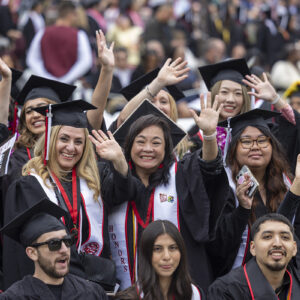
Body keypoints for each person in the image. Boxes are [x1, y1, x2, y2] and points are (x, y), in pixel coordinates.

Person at [92, 97, 227, 292]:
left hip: (180, 290)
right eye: (140, 142)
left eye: (156, 142)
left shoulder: (182, 175)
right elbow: (117, 190)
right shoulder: (110, 178)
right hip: (126, 291)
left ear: (166, 148)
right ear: (129, 146)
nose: (148, 149)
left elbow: (209, 169)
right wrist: (119, 164)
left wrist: (208, 135)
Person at [3, 100, 130, 289]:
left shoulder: (95, 178)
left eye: (79, 141)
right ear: (51, 139)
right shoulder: (29, 185)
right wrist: (100, 268)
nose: (71, 148)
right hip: (51, 286)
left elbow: (124, 193)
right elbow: (30, 248)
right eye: (64, 139)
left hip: (93, 288)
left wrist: (120, 161)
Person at [206, 109, 297, 279]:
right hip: (236, 281)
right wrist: (242, 209)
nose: (255, 147)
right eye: (246, 141)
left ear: (272, 146)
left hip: (280, 278)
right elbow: (218, 245)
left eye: (262, 140)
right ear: (234, 148)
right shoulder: (224, 185)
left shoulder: (286, 184)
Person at [0, 199, 108, 299]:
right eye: (54, 243)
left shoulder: (92, 293)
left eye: (67, 241)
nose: (64, 249)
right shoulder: (15, 297)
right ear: (32, 253)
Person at [207, 213, 300, 299]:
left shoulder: (297, 284)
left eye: (285, 237)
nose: (277, 243)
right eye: (267, 237)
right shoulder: (225, 290)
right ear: (253, 248)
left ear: (294, 248)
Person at [116, 220, 203, 300]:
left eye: (172, 248)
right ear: (146, 254)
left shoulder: (194, 294)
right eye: (157, 249)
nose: (166, 256)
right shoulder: (130, 298)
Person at [26, 1, 93, 84]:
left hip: (44, 85)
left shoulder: (43, 32)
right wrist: (65, 79)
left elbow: (32, 59)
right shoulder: (79, 35)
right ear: (70, 15)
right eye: (75, 15)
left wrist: (46, 77)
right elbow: (86, 62)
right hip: (68, 87)